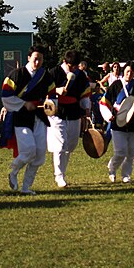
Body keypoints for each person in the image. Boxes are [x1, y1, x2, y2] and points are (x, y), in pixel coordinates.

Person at [0, 46, 55, 195]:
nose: (38, 62)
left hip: (39, 117)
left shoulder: (45, 76)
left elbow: (52, 95)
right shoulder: (16, 74)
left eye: (41, 59)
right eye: (35, 58)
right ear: (29, 58)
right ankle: (13, 171)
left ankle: (26, 187)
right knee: (29, 150)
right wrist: (24, 104)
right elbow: (5, 96)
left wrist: (50, 105)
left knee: (40, 155)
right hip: (21, 117)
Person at [99, 61, 134, 183]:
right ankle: (112, 168)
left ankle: (126, 175)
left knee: (132, 152)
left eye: (132, 72)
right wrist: (108, 115)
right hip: (118, 123)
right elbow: (104, 102)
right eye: (127, 71)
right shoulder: (115, 85)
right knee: (120, 152)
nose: (129, 74)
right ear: (123, 71)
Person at [47, 50, 91, 188]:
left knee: (70, 146)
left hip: (74, 112)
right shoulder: (53, 73)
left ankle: (62, 173)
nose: (74, 68)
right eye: (71, 66)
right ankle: (59, 176)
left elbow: (84, 94)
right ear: (65, 62)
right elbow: (44, 92)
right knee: (60, 145)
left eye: (76, 66)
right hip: (57, 113)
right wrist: (57, 91)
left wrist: (87, 109)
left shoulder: (80, 75)